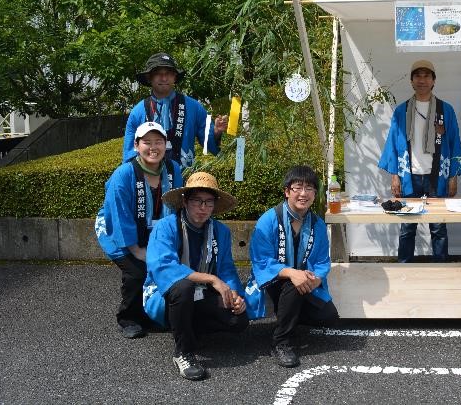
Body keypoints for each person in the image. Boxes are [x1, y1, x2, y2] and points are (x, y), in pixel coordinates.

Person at [143, 171, 249, 380]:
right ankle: (184, 352)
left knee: (239, 321)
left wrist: (235, 295)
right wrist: (211, 279)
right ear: (184, 201)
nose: (203, 208)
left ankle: (185, 326)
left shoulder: (221, 231)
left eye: (209, 202)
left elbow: (226, 268)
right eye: (197, 201)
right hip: (165, 296)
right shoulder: (165, 227)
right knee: (184, 287)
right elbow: (163, 267)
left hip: (200, 295)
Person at [95, 121, 183, 339]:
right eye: (147, 142)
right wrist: (136, 250)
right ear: (136, 145)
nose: (153, 147)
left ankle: (153, 313)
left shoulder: (173, 169)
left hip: (155, 229)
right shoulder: (123, 175)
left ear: (166, 144)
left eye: (158, 142)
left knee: (165, 266)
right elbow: (119, 215)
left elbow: (178, 206)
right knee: (137, 272)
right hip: (117, 231)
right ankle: (128, 318)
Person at [245, 165, 338, 368]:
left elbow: (322, 261)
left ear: (315, 194)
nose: (303, 194)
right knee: (292, 284)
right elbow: (261, 261)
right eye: (298, 188)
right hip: (273, 283)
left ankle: (288, 315)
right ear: (287, 191)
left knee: (328, 316)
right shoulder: (268, 220)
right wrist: (291, 273)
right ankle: (282, 342)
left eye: (310, 188)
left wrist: (316, 279)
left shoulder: (317, 224)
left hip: (304, 281)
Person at [378, 59, 461, 262]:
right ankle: (403, 265)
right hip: (410, 175)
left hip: (437, 176)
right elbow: (393, 144)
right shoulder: (401, 111)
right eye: (418, 76)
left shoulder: (446, 110)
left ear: (434, 81)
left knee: (438, 227)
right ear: (411, 80)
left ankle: (441, 267)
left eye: (426, 76)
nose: (422, 80)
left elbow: (454, 143)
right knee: (407, 227)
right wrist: (395, 176)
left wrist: (453, 176)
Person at [122, 52, 228, 168]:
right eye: (158, 74)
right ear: (149, 77)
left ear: (175, 77)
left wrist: (216, 131)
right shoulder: (138, 112)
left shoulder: (194, 107)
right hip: (149, 179)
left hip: (185, 177)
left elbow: (208, 143)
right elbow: (130, 153)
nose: (164, 78)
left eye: (168, 73)